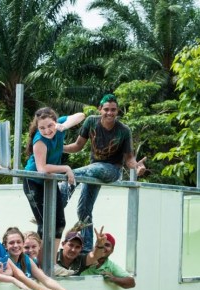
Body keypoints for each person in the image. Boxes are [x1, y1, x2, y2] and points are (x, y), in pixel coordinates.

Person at [63, 94, 147, 252]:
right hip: (92, 171)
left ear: (117, 111)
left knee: (83, 171)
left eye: (113, 110)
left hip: (111, 170)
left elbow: (129, 159)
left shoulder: (124, 130)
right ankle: (87, 249)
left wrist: (137, 167)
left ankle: (59, 199)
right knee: (83, 210)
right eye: (106, 109)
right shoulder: (91, 122)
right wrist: (59, 148)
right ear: (100, 109)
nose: (110, 113)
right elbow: (78, 146)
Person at [23, 107, 86, 262]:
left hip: (50, 182)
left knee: (59, 223)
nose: (47, 131)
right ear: (37, 128)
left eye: (50, 125)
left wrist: (64, 125)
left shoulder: (59, 127)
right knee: (44, 225)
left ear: (55, 122)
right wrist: (66, 168)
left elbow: (81, 115)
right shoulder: (40, 140)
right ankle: (39, 265)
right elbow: (42, 168)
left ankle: (50, 263)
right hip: (33, 182)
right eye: (42, 128)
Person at [2, 227, 80, 290]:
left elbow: (46, 280)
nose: (16, 245)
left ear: (22, 243)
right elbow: (21, 277)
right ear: (5, 246)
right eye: (11, 243)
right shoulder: (5, 260)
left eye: (18, 242)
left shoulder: (26, 259)